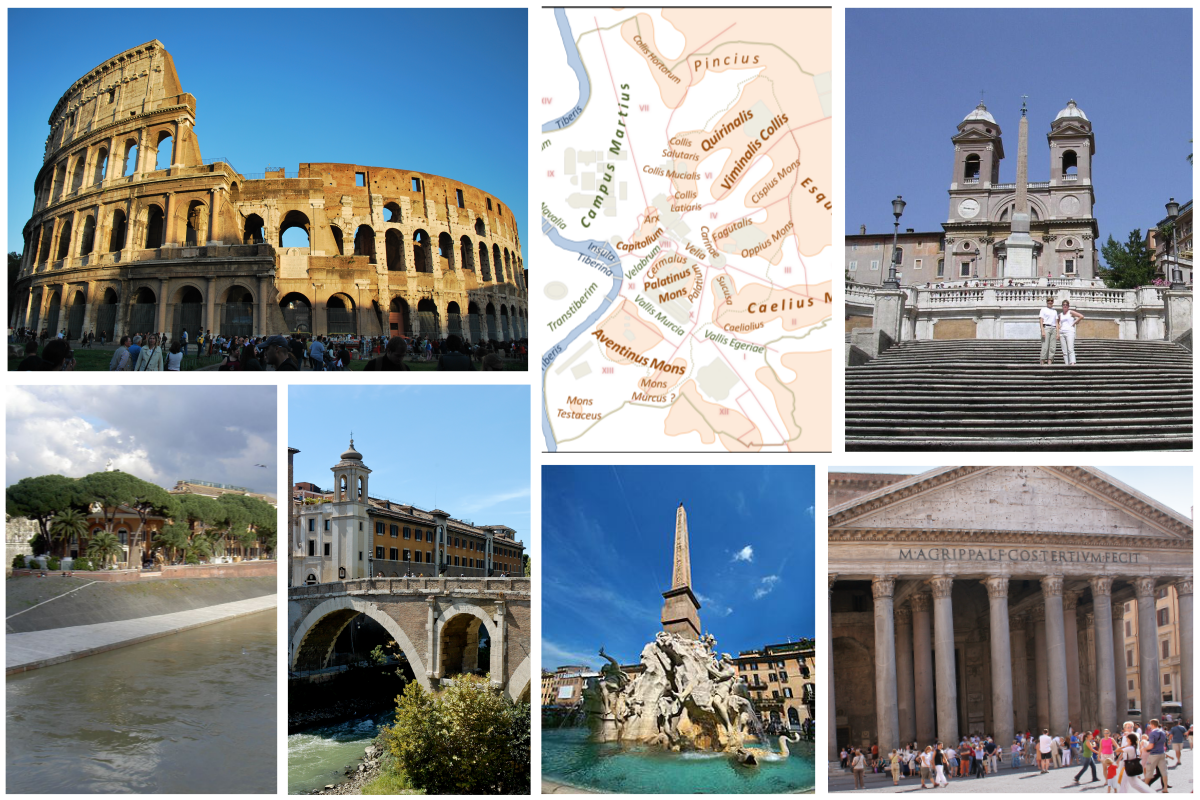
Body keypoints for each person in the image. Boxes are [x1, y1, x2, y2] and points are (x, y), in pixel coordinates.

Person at [1143, 718, 1169, 791]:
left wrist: (1144, 749)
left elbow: (1151, 745)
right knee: (1163, 771)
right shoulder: (1163, 732)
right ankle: (1165, 788)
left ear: (1152, 725)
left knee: (1149, 771)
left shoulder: (1152, 733)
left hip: (1154, 754)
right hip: (1162, 753)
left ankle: (1145, 788)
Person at [1059, 300, 1085, 366]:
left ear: (1068, 306)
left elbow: (1081, 316)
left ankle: (1072, 362)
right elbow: (1058, 322)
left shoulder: (1070, 312)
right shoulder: (1060, 314)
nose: (1065, 306)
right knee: (1064, 350)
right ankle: (1066, 363)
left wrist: (1074, 323)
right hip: (1062, 332)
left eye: (1066, 305)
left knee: (1070, 348)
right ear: (1062, 306)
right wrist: (1059, 329)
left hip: (1069, 331)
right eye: (1064, 305)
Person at [1039, 297, 1059, 365]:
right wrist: (1042, 330)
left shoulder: (1054, 311)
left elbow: (1056, 322)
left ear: (1053, 302)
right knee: (1045, 346)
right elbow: (1041, 320)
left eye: (1051, 301)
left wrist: (1058, 333)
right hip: (1046, 327)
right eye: (1048, 301)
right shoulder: (1043, 309)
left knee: (1052, 347)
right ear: (1046, 302)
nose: (1050, 302)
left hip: (1054, 328)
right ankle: (1042, 362)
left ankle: (1050, 362)